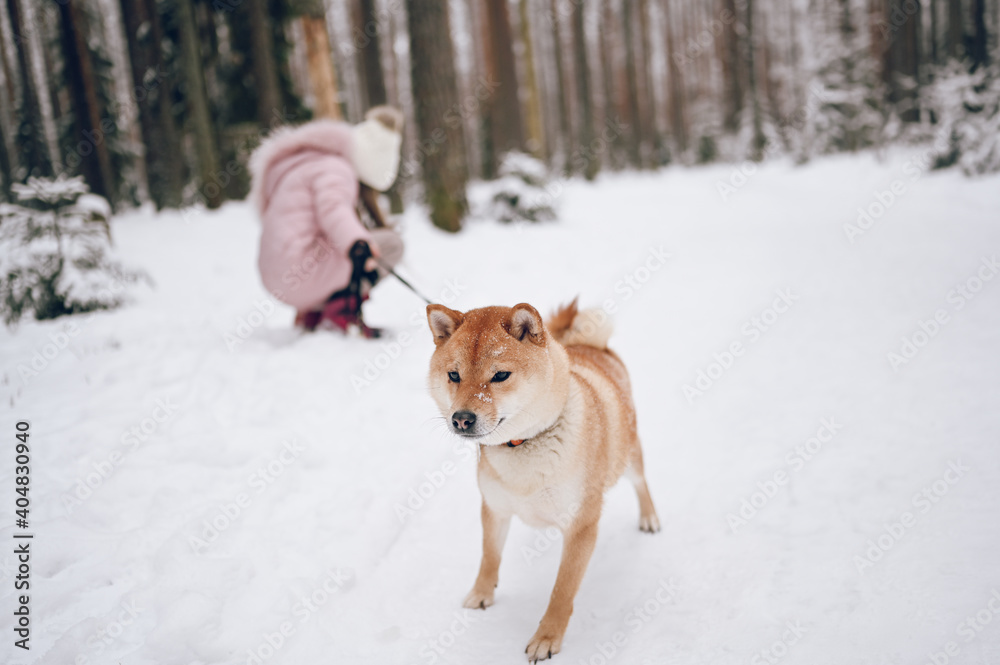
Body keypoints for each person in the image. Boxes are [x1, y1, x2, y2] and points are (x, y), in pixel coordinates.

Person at [249, 106, 405, 336]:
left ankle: (314, 312)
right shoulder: (336, 168)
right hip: (301, 272)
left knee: (340, 245)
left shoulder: (307, 162)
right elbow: (333, 209)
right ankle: (339, 312)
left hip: (275, 277)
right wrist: (357, 243)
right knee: (391, 244)